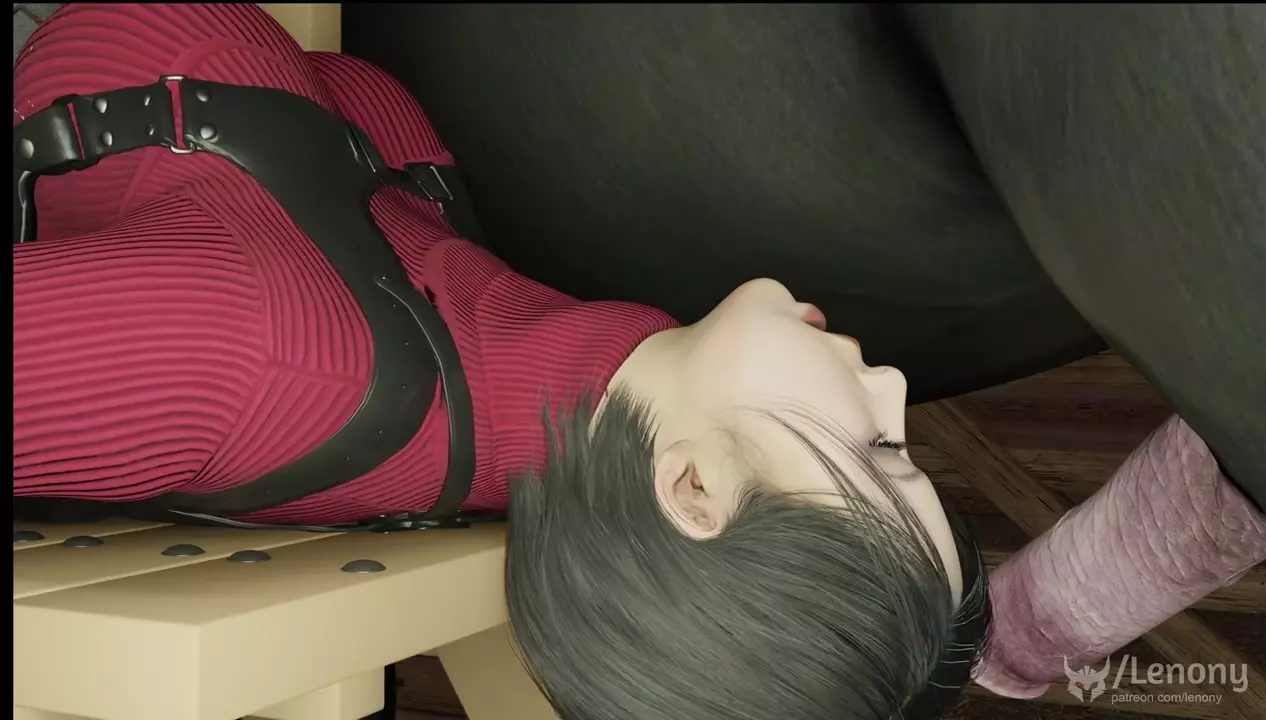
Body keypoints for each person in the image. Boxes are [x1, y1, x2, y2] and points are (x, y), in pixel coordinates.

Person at [13, 5, 986, 720]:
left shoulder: (261, 360)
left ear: (693, 487)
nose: (893, 387)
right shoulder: (537, 370)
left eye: (879, 452)